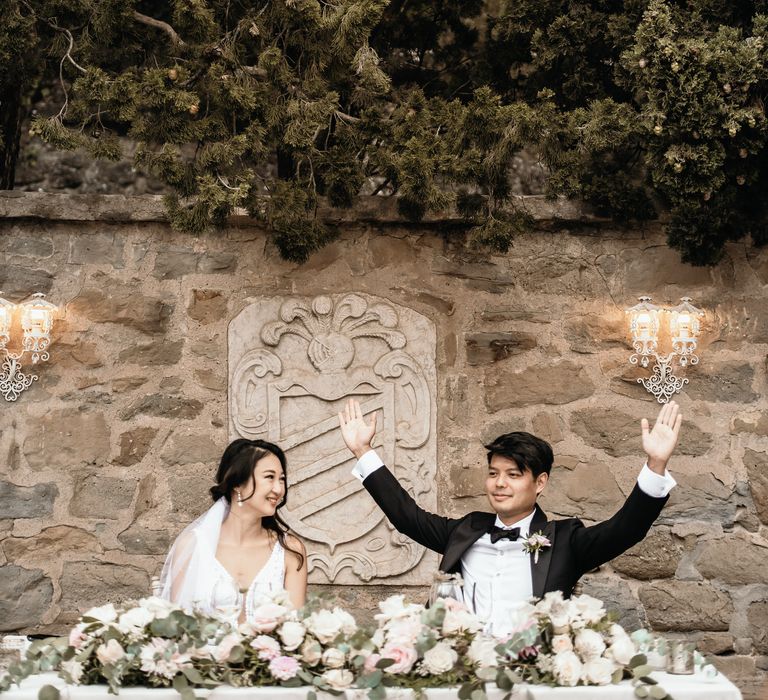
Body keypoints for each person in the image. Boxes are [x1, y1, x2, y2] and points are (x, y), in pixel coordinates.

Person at [338, 398, 681, 629]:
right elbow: (406, 516)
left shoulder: (566, 541)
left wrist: (656, 463)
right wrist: (363, 451)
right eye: (493, 473)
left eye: (513, 475)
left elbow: (626, 529)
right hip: (463, 671)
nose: (499, 484)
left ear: (540, 482)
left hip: (532, 677)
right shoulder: (465, 530)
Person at [159, 439, 307, 620]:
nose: (278, 489)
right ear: (237, 483)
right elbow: (178, 628)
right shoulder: (193, 545)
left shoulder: (290, 550)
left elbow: (296, 627)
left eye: (282, 479)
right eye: (270, 477)